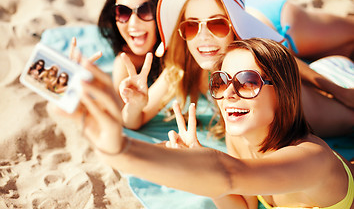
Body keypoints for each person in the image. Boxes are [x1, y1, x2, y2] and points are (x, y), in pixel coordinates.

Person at [67, 38, 353, 209]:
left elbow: (228, 174)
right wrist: (202, 170)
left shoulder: (311, 158)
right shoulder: (241, 138)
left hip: (339, 75)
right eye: (221, 81)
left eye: (247, 82)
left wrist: (120, 149)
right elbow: (242, 203)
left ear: (284, 92)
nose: (228, 93)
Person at [120, 0, 354, 136]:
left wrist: (338, 91)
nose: (202, 36)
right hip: (236, 5)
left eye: (217, 24)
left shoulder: (255, 55)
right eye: (191, 26)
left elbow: (287, 61)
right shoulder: (184, 65)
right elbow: (133, 121)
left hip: (280, 21)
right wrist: (136, 103)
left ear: (236, 26)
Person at [97, 0, 168, 93]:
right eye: (123, 12)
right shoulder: (125, 59)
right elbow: (119, 108)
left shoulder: (182, 54)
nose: (133, 23)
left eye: (145, 10)